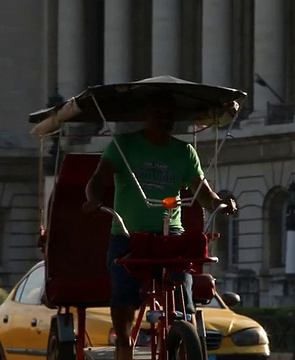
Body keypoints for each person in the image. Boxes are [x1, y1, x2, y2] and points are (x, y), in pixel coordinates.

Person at [82, 92, 237, 360]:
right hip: (128, 235)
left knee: (183, 285)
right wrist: (93, 200)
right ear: (146, 116)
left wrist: (220, 203)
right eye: (158, 114)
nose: (164, 120)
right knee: (123, 294)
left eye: (169, 116)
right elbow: (98, 178)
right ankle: (124, 344)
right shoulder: (123, 145)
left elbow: (202, 192)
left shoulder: (184, 151)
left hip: (169, 235)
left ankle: (182, 329)